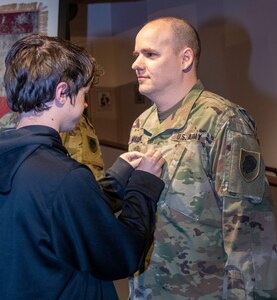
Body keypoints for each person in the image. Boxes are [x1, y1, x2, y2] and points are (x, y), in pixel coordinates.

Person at [0, 33, 165, 300]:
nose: (86, 103)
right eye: (84, 94)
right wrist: (143, 186)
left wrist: (117, 178)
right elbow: (120, 256)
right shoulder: (64, 176)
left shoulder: (19, 161)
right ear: (62, 92)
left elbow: (51, 214)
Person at [128, 17, 277, 299]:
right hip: (149, 289)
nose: (136, 64)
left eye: (149, 54)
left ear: (185, 59)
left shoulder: (223, 121)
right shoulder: (141, 124)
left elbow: (248, 232)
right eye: (136, 55)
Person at [60, 114, 105, 180]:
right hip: (74, 184)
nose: (86, 105)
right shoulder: (63, 120)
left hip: (90, 184)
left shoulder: (82, 120)